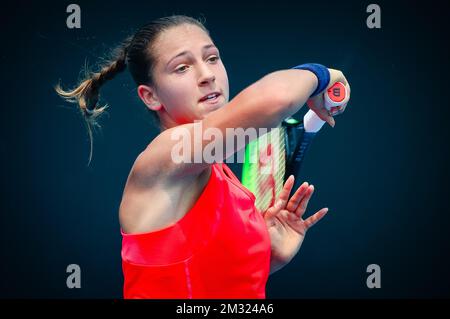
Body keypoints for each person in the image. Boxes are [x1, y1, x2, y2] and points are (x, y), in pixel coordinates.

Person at [55, 15, 350, 299]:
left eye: (212, 58)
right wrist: (324, 75)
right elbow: (276, 101)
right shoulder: (166, 155)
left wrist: (269, 257)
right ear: (150, 96)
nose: (207, 75)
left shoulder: (220, 172)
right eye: (182, 68)